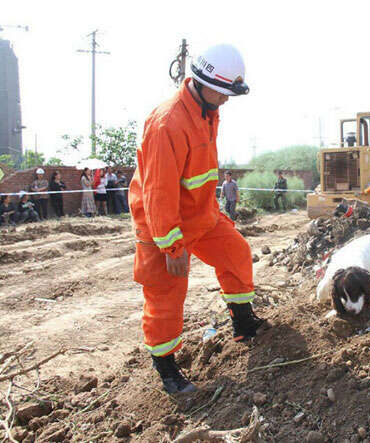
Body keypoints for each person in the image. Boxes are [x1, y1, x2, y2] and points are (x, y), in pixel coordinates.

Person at [128, 44, 264, 394]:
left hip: (201, 215)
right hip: (164, 227)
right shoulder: (167, 123)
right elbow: (158, 193)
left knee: (236, 252)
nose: (227, 100)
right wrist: (173, 247)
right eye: (224, 92)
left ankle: (244, 323)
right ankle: (167, 369)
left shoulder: (207, 111)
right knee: (166, 296)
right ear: (203, 83)